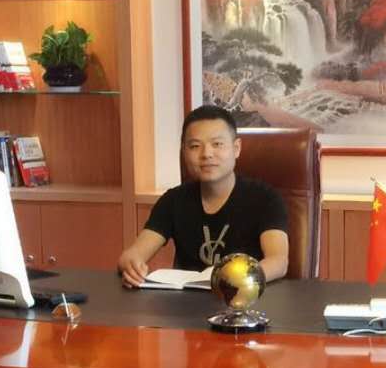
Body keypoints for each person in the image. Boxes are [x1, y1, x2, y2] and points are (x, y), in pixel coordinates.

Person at [119, 106, 290, 286]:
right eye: (195, 146)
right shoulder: (173, 200)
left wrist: (239, 280)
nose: (206, 154)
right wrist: (131, 266)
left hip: (245, 296)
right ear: (184, 152)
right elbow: (132, 255)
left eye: (217, 144)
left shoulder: (266, 199)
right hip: (186, 301)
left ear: (236, 148)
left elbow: (278, 262)